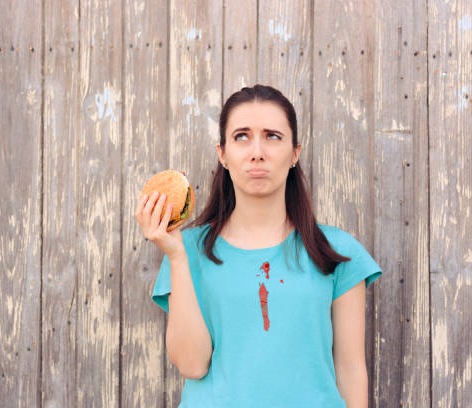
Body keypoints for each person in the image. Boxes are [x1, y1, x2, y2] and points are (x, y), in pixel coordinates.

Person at [134, 84, 383, 407]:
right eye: (241, 136)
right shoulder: (185, 250)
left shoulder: (336, 251)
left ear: (295, 153)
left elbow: (350, 369)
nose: (257, 152)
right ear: (222, 154)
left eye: (272, 136)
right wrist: (177, 257)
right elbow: (193, 365)